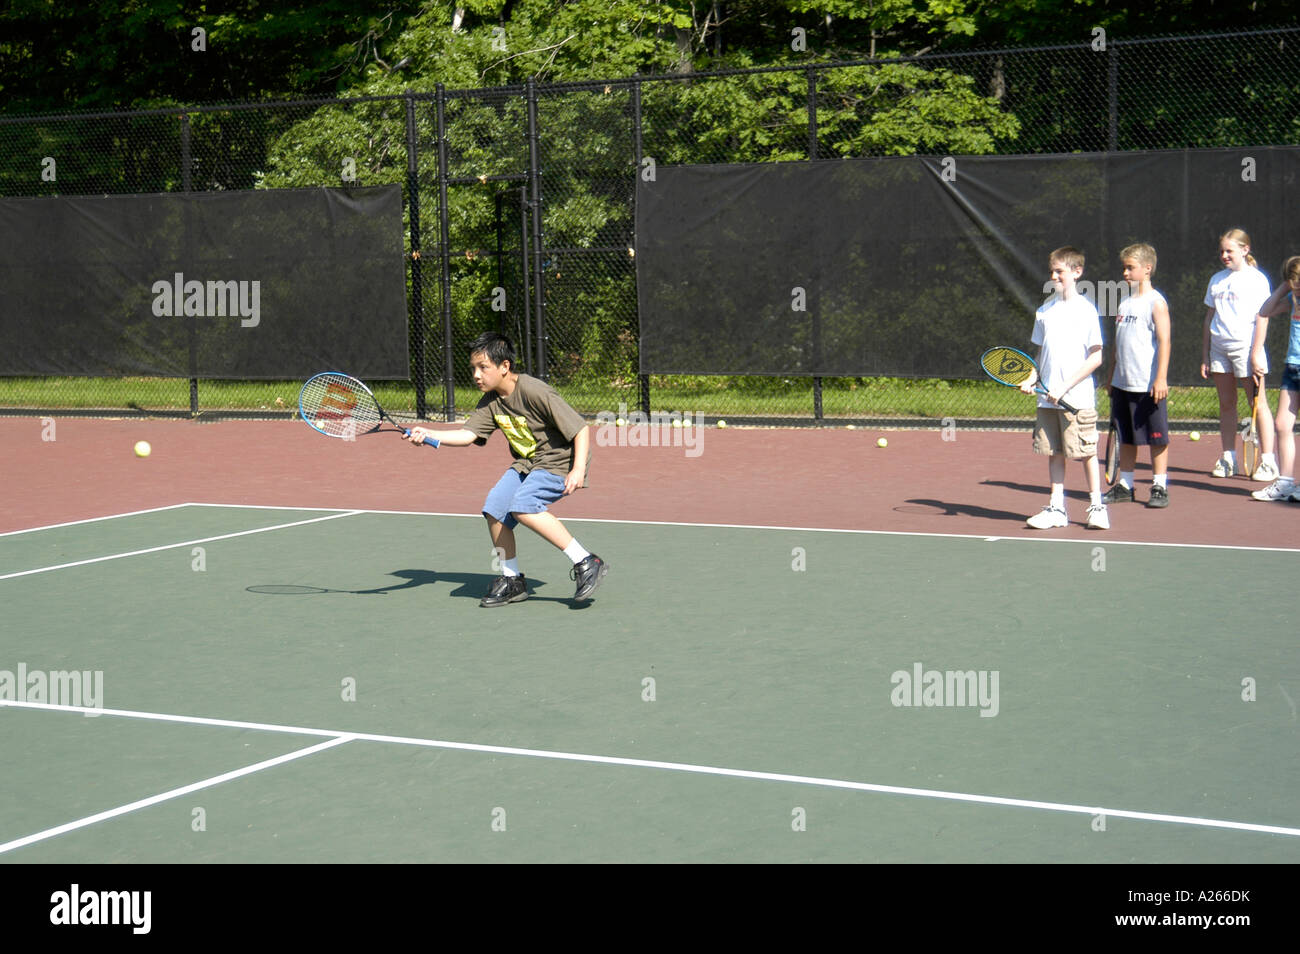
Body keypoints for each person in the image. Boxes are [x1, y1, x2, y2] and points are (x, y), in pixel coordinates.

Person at [407, 332, 608, 606]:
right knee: (496, 509)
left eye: (483, 367)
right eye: (473, 369)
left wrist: (577, 469)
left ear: (505, 366)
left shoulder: (534, 391)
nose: (477, 375)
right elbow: (468, 436)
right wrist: (430, 434)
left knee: (523, 505)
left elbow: (580, 428)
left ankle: (586, 560)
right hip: (527, 464)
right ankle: (512, 580)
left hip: (558, 460)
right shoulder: (489, 401)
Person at [1021, 246, 1108, 530]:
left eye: (1060, 271)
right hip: (1048, 400)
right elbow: (1040, 355)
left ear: (1077, 272)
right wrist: (1032, 377)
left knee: (1085, 452)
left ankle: (1096, 507)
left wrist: (1064, 386)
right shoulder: (1044, 311)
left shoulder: (1086, 311)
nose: (1054, 276)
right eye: (1052, 271)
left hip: (1078, 398)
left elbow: (1096, 357)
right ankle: (1057, 508)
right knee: (1055, 451)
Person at [1200, 228, 1277, 481]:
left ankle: (1268, 461)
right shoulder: (1217, 279)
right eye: (1222, 251)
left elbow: (1262, 317)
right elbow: (1209, 317)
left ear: (1245, 250)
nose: (1224, 255)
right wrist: (1205, 355)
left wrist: (1256, 353)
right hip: (1219, 349)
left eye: (1229, 251)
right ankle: (1228, 457)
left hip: (1246, 348)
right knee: (1226, 404)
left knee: (1258, 403)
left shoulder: (1257, 280)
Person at [1103, 244, 1172, 508]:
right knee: (1126, 437)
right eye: (1124, 267)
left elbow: (1165, 341)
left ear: (1147, 268)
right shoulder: (1125, 302)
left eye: (1130, 267)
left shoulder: (1156, 303)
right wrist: (1111, 375)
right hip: (1123, 383)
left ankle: (1159, 486)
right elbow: (1118, 344)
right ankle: (1126, 485)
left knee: (1157, 438)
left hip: (1149, 385)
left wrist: (1161, 378)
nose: (1125, 273)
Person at [1250, 256, 1300, 501]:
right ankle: (1286, 482)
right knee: (1282, 425)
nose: (1297, 284)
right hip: (1292, 368)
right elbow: (1265, 310)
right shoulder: (1292, 299)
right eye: (1293, 280)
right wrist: (1284, 288)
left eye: (1298, 279)